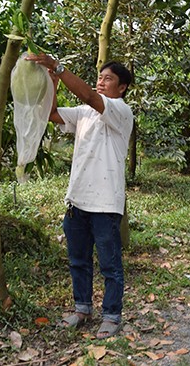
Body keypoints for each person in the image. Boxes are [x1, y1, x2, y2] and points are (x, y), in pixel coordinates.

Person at [27, 52, 134, 339]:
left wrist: (59, 68)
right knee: (78, 260)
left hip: (105, 203)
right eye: (99, 77)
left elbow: (89, 96)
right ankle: (82, 309)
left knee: (110, 264)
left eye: (108, 78)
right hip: (77, 201)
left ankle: (111, 315)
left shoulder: (120, 111)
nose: (101, 82)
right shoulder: (85, 112)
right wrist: (53, 83)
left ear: (122, 87)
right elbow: (52, 114)